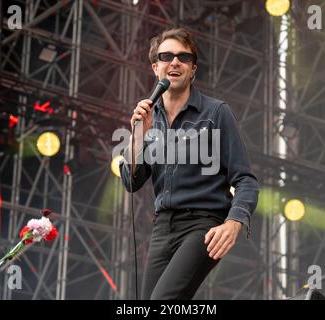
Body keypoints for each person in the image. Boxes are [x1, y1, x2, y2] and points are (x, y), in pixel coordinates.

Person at [119, 28, 259, 300]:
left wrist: (234, 222)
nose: (175, 61)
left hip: (203, 224)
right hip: (163, 227)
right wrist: (138, 136)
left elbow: (246, 180)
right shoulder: (150, 119)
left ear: (192, 69)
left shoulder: (216, 112)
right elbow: (131, 182)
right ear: (155, 67)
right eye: (167, 56)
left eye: (184, 57)